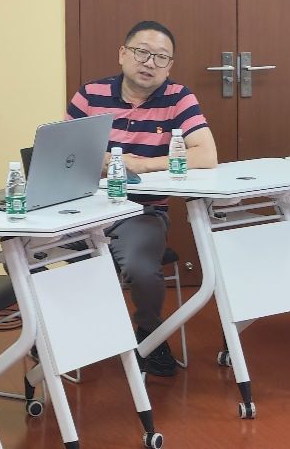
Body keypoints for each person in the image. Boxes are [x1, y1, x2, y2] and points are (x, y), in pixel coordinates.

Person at [67, 20, 217, 377]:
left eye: (161, 57)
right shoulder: (90, 95)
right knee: (27, 251)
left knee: (139, 266)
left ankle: (150, 335)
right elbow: (67, 154)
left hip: (142, 209)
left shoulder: (178, 97)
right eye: (141, 52)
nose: (149, 63)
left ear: (169, 66)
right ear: (123, 54)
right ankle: (55, 335)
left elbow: (206, 154)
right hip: (87, 208)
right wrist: (103, 160)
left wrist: (142, 165)